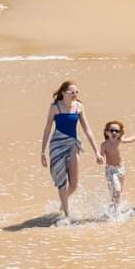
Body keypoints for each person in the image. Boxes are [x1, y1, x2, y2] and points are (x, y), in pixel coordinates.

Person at [40, 80, 90, 221]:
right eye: (72, 92)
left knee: (73, 184)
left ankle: (63, 203)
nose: (75, 94)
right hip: (57, 145)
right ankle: (67, 215)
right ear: (63, 93)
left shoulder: (79, 106)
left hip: (73, 145)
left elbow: (87, 128)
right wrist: (43, 152)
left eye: (76, 92)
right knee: (62, 182)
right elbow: (47, 128)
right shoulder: (55, 107)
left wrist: (97, 150)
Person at [96, 121, 135, 212]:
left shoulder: (120, 141)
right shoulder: (104, 144)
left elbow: (131, 139)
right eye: (111, 130)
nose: (114, 132)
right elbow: (101, 156)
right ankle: (115, 211)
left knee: (117, 192)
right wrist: (99, 159)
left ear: (120, 133)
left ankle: (114, 209)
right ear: (107, 132)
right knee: (117, 190)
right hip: (110, 170)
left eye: (117, 131)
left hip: (121, 169)